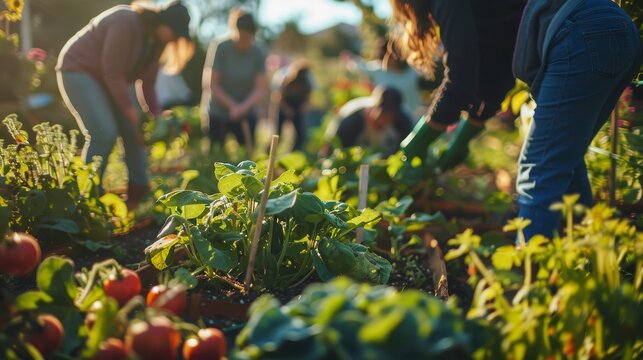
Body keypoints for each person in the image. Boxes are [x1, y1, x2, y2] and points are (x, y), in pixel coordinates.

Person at [513, 0, 642, 239]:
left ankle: (532, 271)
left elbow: (467, 83)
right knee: (565, 160)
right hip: (622, 29)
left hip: (580, 34)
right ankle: (590, 258)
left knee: (539, 170)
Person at [56, 1, 194, 208]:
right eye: (173, 31)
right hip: (79, 70)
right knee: (104, 133)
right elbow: (112, 71)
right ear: (163, 22)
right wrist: (131, 112)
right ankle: (84, 197)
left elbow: (148, 84)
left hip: (109, 79)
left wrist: (155, 116)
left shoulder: (157, 43)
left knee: (134, 131)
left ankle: (139, 194)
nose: (174, 38)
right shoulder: (125, 21)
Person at [390, 0, 526, 172]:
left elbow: (460, 83)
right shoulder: (485, 12)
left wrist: (418, 141)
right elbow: (500, 69)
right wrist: (465, 135)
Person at [201, 9, 267, 155]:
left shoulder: (258, 53)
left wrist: (242, 108)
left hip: (245, 112)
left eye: (248, 38)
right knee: (215, 155)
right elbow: (212, 84)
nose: (245, 42)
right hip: (219, 112)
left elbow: (260, 88)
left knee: (247, 157)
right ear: (234, 31)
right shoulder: (221, 47)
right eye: (241, 37)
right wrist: (232, 106)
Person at [325, 86, 412, 156]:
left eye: (392, 114)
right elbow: (333, 148)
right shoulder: (353, 120)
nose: (387, 118)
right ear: (374, 107)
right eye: (384, 113)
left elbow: (407, 150)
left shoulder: (402, 122)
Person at [346, 40, 422, 118]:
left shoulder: (411, 71)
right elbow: (361, 66)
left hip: (411, 117)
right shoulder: (379, 69)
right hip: (388, 120)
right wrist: (351, 59)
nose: (389, 60)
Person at [270, 60, 314, 151]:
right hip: (284, 106)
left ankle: (294, 152)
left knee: (300, 135)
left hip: (298, 107)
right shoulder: (286, 81)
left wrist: (303, 107)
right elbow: (278, 97)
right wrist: (287, 109)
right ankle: (270, 153)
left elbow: (307, 98)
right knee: (277, 134)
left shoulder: (307, 83)